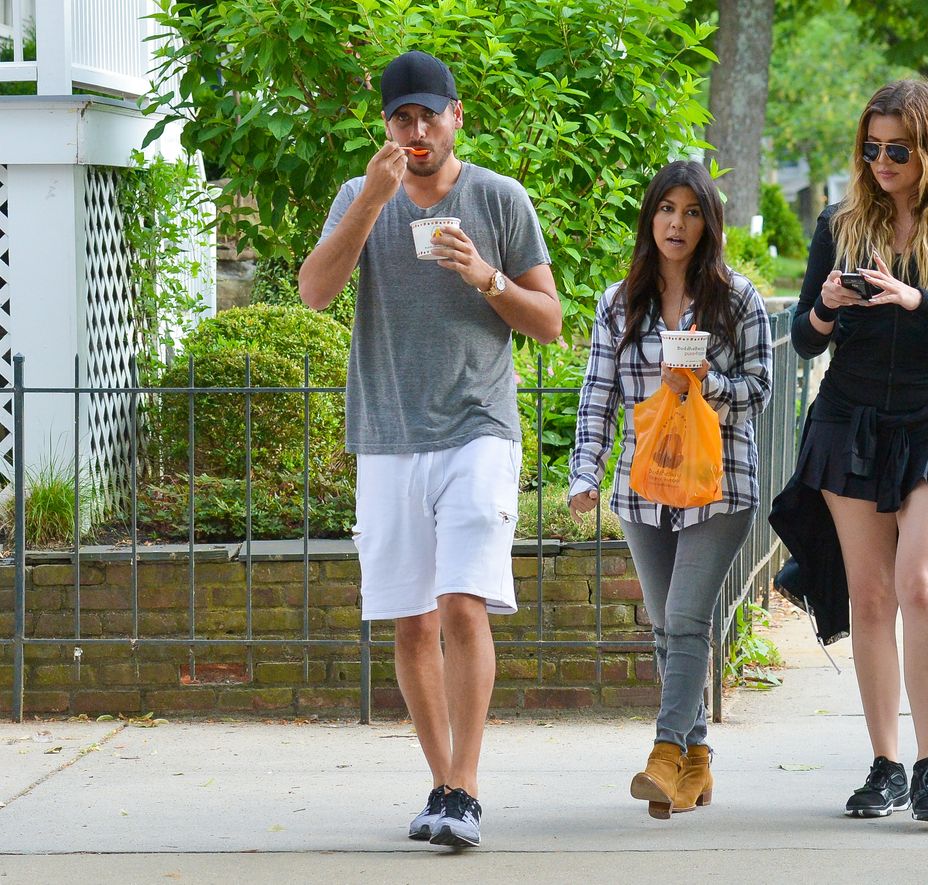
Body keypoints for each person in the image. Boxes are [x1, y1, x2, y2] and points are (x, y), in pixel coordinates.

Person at [298, 50, 561, 848]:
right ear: (388, 126)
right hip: (386, 433)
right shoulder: (359, 196)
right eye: (401, 119)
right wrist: (370, 205)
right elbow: (314, 292)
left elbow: (549, 320)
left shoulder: (499, 199)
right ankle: (440, 781)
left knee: (461, 601)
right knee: (411, 622)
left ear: (456, 116)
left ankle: (467, 787)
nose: (416, 132)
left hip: (477, 426)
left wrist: (487, 277)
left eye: (428, 116)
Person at [769, 79, 928, 824]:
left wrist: (920, 303)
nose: (880, 161)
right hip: (851, 420)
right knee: (870, 593)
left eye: (895, 149)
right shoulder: (841, 225)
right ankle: (886, 764)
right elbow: (806, 339)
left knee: (922, 582)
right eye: (870, 148)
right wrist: (826, 307)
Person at [568, 160, 772, 819]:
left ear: (708, 223)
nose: (676, 223)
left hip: (720, 486)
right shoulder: (616, 302)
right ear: (649, 217)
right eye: (665, 209)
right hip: (646, 487)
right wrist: (584, 472)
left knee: (685, 619)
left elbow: (759, 393)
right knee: (666, 629)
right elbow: (597, 396)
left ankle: (663, 753)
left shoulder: (737, 300)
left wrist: (709, 384)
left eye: (690, 211)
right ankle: (698, 763)